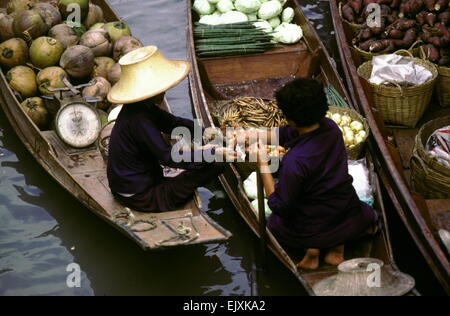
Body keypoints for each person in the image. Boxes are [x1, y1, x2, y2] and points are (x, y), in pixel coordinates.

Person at [250, 78, 378, 270]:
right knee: (352, 213)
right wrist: (250, 134)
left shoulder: (295, 162)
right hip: (344, 212)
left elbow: (279, 205)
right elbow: (286, 133)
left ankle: (313, 251)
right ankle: (336, 249)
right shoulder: (330, 128)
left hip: (311, 227)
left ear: (290, 119)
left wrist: (263, 165)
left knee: (275, 223)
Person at [106, 46, 235, 213]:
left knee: (202, 158)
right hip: (140, 196)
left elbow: (171, 122)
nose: (164, 93)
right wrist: (212, 153)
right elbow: (168, 156)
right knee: (216, 164)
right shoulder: (139, 119)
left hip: (136, 181)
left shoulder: (141, 108)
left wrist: (203, 131)